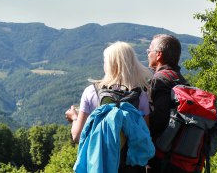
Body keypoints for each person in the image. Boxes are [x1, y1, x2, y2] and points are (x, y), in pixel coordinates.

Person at [65, 41, 153, 172]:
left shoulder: (91, 92)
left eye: (105, 61)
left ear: (110, 65)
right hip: (130, 167)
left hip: (99, 165)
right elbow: (144, 135)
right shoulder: (141, 95)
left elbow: (77, 136)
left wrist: (74, 118)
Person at [147, 34, 189, 173]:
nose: (148, 54)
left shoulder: (160, 79)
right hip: (179, 155)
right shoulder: (181, 80)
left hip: (161, 159)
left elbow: (158, 120)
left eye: (149, 51)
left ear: (158, 55)